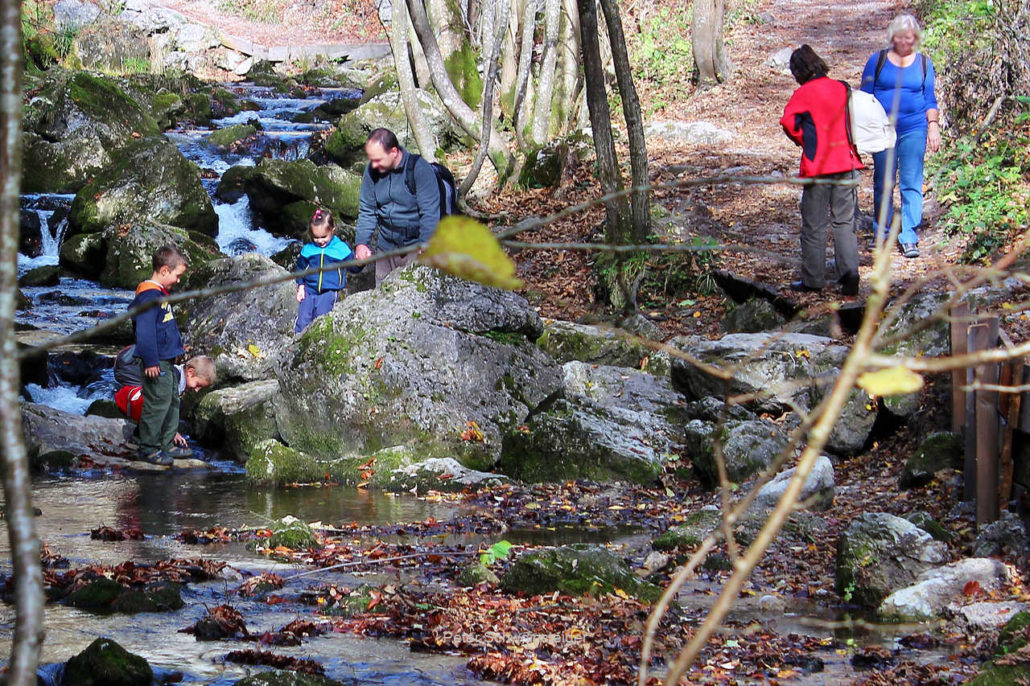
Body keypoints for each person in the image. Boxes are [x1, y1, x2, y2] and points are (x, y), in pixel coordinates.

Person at [780, 45, 863, 295]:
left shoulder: (803, 94)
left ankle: (813, 280)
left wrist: (805, 140)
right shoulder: (841, 87)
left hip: (818, 166)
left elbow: (788, 122)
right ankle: (850, 279)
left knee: (814, 224)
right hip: (845, 163)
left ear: (799, 71)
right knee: (844, 223)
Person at [861, 14, 941, 259]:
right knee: (883, 182)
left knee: (911, 182)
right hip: (883, 130)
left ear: (915, 38)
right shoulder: (878, 61)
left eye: (909, 37)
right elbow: (865, 97)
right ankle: (881, 233)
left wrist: (933, 126)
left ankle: (909, 236)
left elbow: (929, 98)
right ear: (892, 37)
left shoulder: (924, 64)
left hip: (914, 128)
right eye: (900, 37)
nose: (905, 42)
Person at [353, 128, 441, 285]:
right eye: (371, 159)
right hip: (385, 248)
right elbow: (367, 210)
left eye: (378, 160)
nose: (373, 164)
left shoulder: (419, 169)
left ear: (394, 152)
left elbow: (430, 213)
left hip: (415, 247)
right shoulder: (372, 171)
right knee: (381, 299)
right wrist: (361, 243)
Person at [129, 245, 189, 466]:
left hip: (167, 360)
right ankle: (149, 447)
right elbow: (144, 332)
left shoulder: (160, 295)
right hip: (157, 362)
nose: (178, 281)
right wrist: (151, 360)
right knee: (157, 403)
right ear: (164, 271)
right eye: (177, 275)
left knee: (171, 399)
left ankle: (166, 443)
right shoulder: (148, 296)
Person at [114, 352, 216, 451]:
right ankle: (139, 440)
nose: (197, 390)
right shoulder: (172, 377)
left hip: (138, 402)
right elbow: (159, 403)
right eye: (198, 385)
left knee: (177, 405)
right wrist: (171, 432)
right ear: (190, 372)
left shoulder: (177, 378)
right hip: (132, 402)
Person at [294, 208, 359, 333]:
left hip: (329, 292)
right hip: (309, 290)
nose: (320, 241)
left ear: (333, 230)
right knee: (302, 321)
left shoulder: (340, 248)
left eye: (323, 236)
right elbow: (300, 268)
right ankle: (296, 344)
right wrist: (301, 285)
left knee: (322, 321)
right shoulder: (308, 249)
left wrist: (362, 261)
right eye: (315, 237)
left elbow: (353, 267)